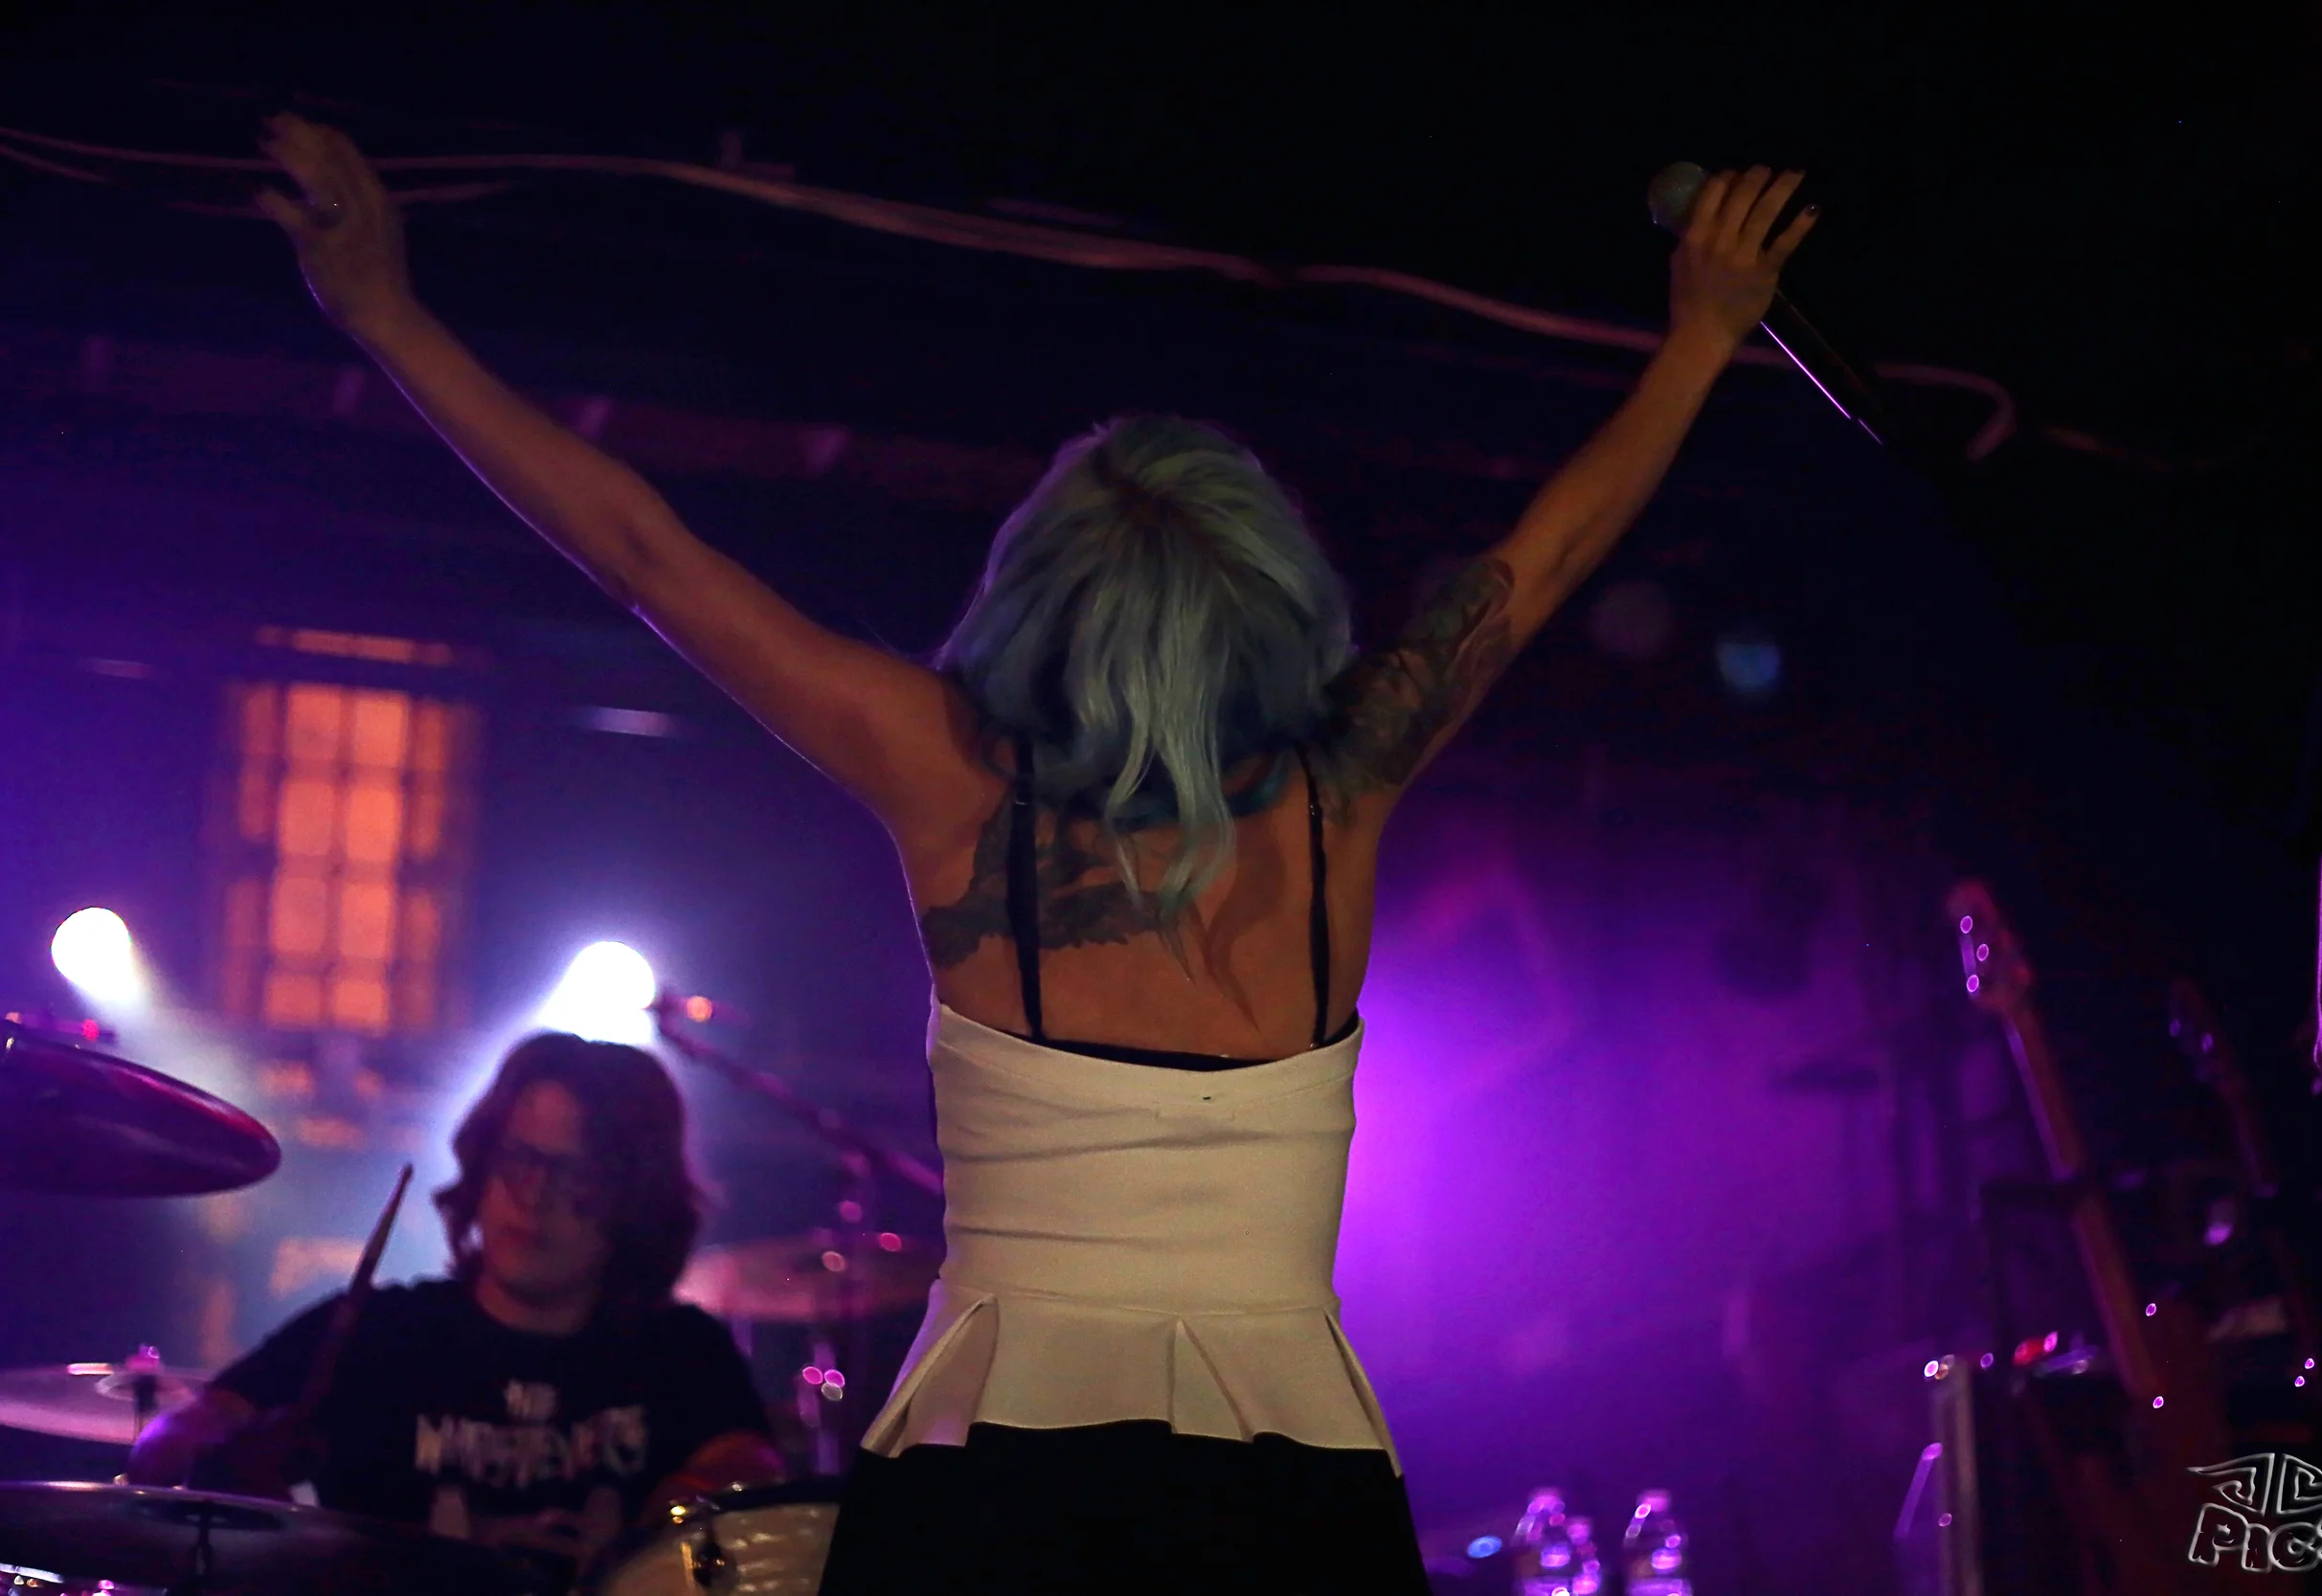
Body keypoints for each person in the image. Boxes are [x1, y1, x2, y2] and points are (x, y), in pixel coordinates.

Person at [251, 112, 1814, 1593]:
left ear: (1042, 606)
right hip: (1283, 1477)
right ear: (1269, 611)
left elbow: (643, 552)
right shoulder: (1338, 788)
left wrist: (386, 313)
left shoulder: (955, 782)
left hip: (997, 1466)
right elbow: (1544, 559)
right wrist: (1699, 338)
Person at [128, 1033, 782, 1587]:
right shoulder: (375, 1331)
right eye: (519, 1159)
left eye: (575, 1173)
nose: (533, 1195)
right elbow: (176, 1439)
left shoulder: (680, 1352)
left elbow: (757, 1477)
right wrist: (219, 1458)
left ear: (633, 1197)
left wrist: (694, 1495)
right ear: (482, 1162)